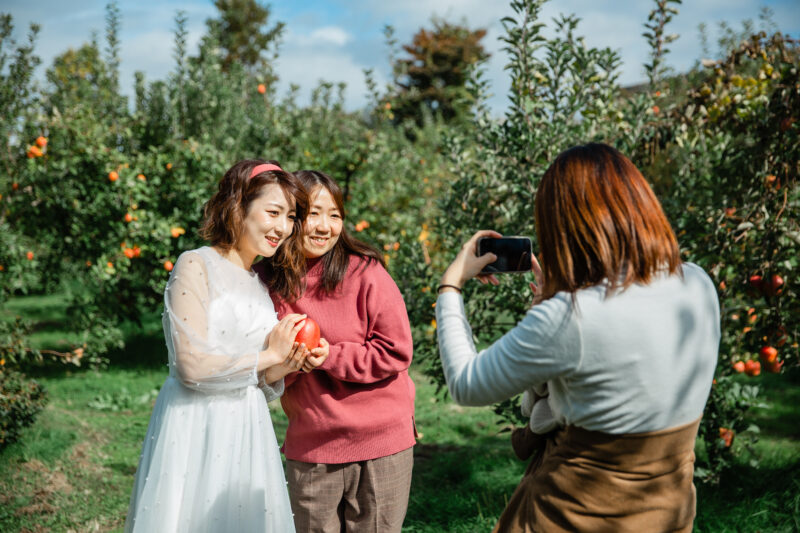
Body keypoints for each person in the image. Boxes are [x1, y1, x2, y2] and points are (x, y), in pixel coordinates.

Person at [435, 143, 720, 532]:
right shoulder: (699, 284)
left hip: (573, 516)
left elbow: (466, 385)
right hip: (668, 515)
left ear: (564, 227)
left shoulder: (573, 316)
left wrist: (450, 285)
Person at [125, 160, 327, 532]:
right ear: (238, 206)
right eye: (273, 212)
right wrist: (270, 354)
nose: (282, 228)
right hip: (195, 424)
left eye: (290, 217)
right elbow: (191, 367)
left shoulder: (258, 283)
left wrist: (288, 362)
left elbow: (253, 378)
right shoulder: (195, 265)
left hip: (247, 427)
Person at [256, 169, 416, 533]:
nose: (325, 226)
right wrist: (294, 363)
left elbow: (396, 351)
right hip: (313, 445)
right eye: (314, 213)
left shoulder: (367, 274)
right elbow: (267, 361)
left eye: (335, 215)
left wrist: (330, 356)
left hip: (380, 442)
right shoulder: (269, 283)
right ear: (290, 216)